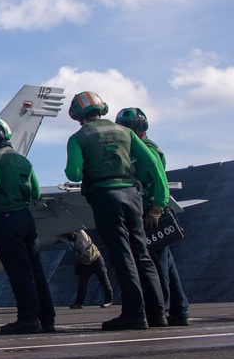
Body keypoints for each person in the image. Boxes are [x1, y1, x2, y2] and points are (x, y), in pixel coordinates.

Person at [65, 91, 167, 331]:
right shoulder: (127, 132)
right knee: (142, 254)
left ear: (77, 114)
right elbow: (151, 163)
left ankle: (134, 314)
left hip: (105, 196)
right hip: (132, 196)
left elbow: (73, 174)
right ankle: (158, 314)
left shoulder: (78, 138)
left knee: (122, 255)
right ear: (102, 108)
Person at [0, 117, 55, 334]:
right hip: (26, 218)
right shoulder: (23, 161)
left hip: (5, 220)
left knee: (19, 271)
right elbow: (36, 192)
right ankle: (47, 318)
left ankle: (28, 318)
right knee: (35, 269)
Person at [116, 107, 190, 327]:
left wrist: (156, 209)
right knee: (165, 262)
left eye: (126, 128)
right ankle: (179, 310)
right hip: (149, 210)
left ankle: (160, 308)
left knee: (156, 264)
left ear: (136, 128)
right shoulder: (144, 147)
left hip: (150, 213)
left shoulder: (146, 150)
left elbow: (160, 180)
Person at [57, 231, 113, 308]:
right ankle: (79, 303)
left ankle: (109, 300)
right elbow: (59, 237)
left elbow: (80, 230)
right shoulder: (71, 241)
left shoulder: (82, 237)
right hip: (86, 264)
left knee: (104, 280)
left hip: (96, 260)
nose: (67, 238)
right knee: (82, 283)